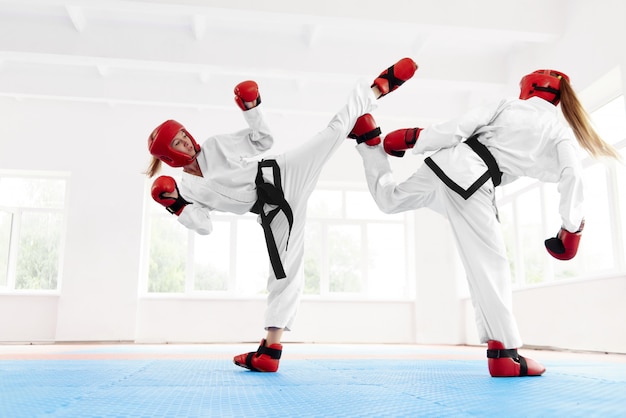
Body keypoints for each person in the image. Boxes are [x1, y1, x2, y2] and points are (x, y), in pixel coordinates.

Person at [145, 58, 418, 372]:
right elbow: (204, 227)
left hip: (283, 172)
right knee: (284, 271)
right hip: (272, 210)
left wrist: (252, 109)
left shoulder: (215, 146)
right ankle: (270, 351)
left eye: (183, 136)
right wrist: (177, 206)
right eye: (177, 143)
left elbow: (264, 141)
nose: (184, 142)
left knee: (331, 132)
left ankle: (378, 87)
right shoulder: (187, 189)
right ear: (170, 156)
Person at [350, 69, 621, 377]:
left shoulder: (507, 105)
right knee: (491, 267)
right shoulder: (558, 132)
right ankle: (504, 354)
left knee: (390, 200)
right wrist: (572, 228)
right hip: (473, 184)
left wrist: (417, 140)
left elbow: (458, 127)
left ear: (529, 87)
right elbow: (572, 175)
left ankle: (368, 142)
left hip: (443, 163)